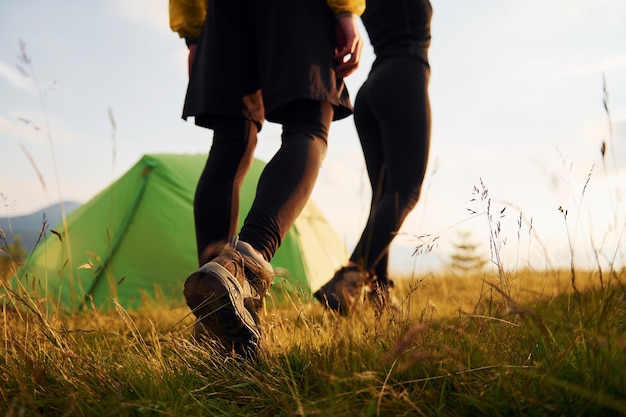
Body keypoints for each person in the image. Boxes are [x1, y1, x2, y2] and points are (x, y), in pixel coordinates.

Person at [169, 0, 365, 355]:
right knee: (307, 125)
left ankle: (218, 314)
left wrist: (194, 34)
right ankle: (241, 269)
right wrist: (346, 10)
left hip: (222, 13)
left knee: (230, 144)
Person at [314, 0, 433, 315]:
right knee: (405, 190)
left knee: (385, 195)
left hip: (371, 90)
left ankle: (379, 292)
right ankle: (351, 276)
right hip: (403, 76)